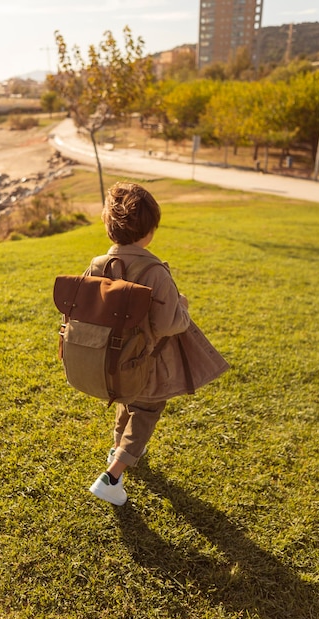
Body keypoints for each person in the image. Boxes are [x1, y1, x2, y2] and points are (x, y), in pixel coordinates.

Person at [88, 182, 228, 505]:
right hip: (144, 362)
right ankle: (112, 476)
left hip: (110, 363)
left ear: (109, 228)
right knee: (147, 411)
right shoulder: (154, 272)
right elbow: (167, 324)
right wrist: (182, 306)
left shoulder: (97, 265)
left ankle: (117, 447)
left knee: (126, 401)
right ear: (149, 231)